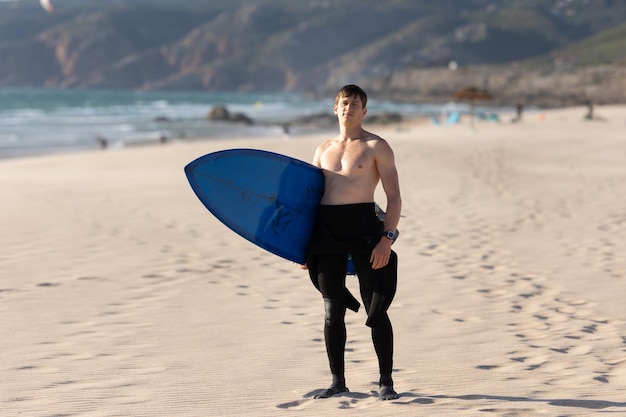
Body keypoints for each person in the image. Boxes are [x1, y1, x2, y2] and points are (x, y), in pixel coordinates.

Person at [304, 84, 401, 401]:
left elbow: (394, 196)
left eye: (356, 103)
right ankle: (337, 381)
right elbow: (307, 201)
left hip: (364, 230)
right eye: (344, 102)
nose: (349, 107)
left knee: (376, 310)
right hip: (325, 233)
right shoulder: (322, 149)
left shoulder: (377, 146)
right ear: (335, 108)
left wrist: (387, 239)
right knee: (332, 310)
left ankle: (385, 381)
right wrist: (301, 245)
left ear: (364, 111)